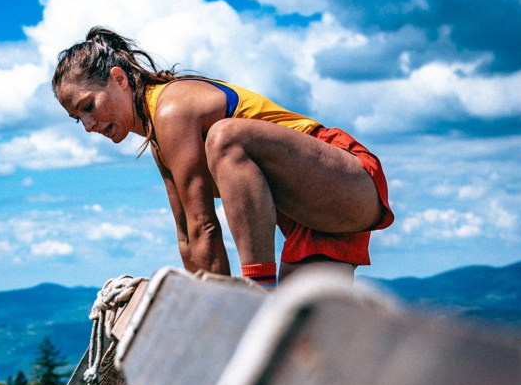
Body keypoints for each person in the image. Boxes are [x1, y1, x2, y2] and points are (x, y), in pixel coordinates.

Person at [52, 26, 393, 288]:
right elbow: (188, 236)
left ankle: (256, 289)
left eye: (88, 106)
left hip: (346, 175)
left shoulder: (171, 108)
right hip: (310, 222)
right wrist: (203, 306)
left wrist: (234, 306)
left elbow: (205, 226)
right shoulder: (160, 141)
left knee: (225, 138)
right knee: (294, 347)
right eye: (77, 119)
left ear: (118, 79)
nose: (88, 125)